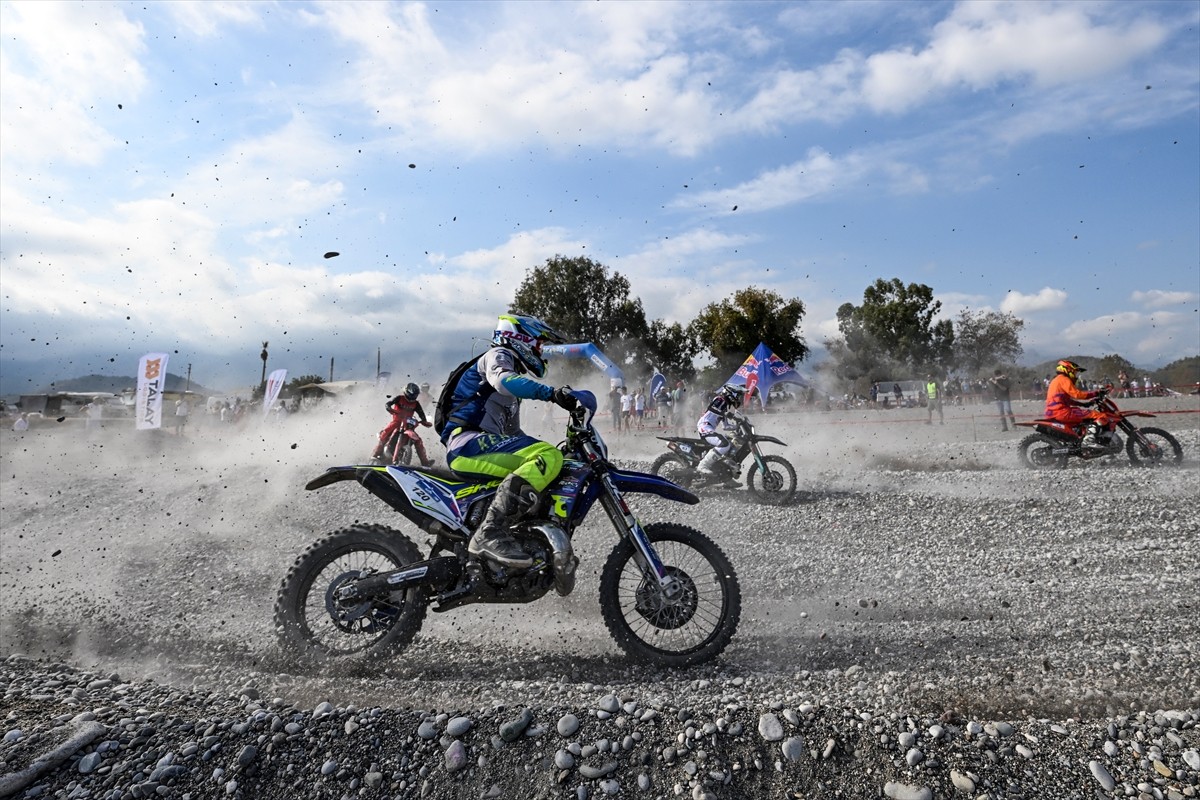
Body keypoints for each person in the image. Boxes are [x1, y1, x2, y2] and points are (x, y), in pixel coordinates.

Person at [439, 314, 576, 569]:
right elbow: (503, 381)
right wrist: (552, 394)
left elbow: (514, 438)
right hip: (466, 443)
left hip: (479, 445)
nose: (540, 350)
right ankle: (489, 532)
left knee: (552, 459)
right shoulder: (499, 355)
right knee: (547, 456)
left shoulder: (511, 398)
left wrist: (562, 450)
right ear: (520, 336)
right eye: (538, 343)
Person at [1044, 360, 1115, 452]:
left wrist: (1083, 404)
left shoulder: (1056, 380)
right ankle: (1088, 441)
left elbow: (1066, 400)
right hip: (1062, 412)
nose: (1076, 375)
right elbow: (1077, 394)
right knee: (1100, 416)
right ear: (1068, 369)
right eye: (1075, 372)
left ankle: (1081, 438)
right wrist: (1096, 393)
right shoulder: (1063, 379)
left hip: (1054, 412)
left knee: (1080, 413)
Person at [373, 382, 434, 467]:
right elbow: (389, 403)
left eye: (414, 396)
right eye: (411, 395)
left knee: (418, 440)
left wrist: (424, 421)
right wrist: (389, 407)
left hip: (408, 424)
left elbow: (421, 414)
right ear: (406, 392)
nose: (412, 397)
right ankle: (375, 455)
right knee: (385, 433)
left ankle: (425, 463)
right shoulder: (399, 398)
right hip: (396, 422)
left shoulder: (416, 403)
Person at [696, 384, 748, 479]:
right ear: (731, 393)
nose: (739, 398)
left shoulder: (724, 407)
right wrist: (725, 414)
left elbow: (726, 426)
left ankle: (725, 477)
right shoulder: (720, 400)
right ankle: (702, 466)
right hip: (704, 426)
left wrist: (738, 426)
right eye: (738, 395)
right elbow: (712, 408)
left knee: (731, 443)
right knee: (724, 444)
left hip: (709, 428)